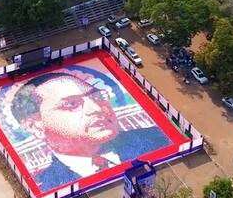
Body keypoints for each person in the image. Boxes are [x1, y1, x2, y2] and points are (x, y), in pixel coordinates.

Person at [10, 69, 169, 191]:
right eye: (72, 104)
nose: (96, 108)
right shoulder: (45, 185)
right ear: (35, 126)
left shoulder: (158, 138)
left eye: (97, 96)